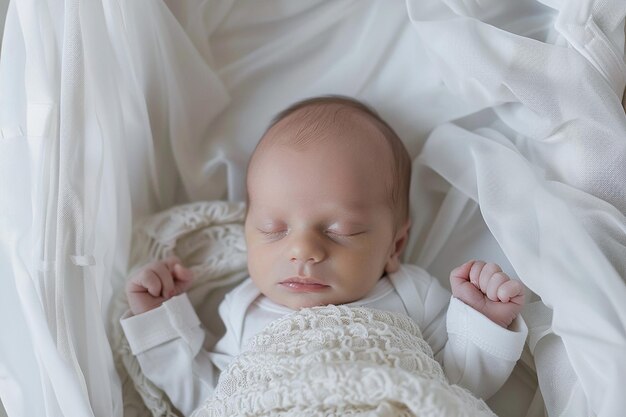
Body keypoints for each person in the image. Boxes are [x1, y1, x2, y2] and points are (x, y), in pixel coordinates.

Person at [122, 96, 528, 416]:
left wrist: (482, 322)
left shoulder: (411, 293)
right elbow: (208, 395)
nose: (302, 250)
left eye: (340, 231)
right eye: (273, 229)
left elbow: (456, 383)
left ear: (394, 246)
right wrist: (159, 320)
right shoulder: (242, 306)